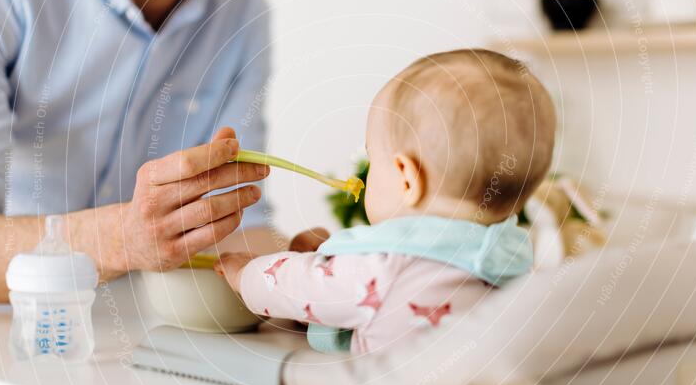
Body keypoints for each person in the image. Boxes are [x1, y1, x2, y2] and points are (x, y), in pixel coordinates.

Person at [0, 0, 292, 303]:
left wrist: (302, 275)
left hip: (137, 341)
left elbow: (240, 225)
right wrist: (121, 240)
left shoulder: (243, 15)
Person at [218, 49, 556, 354]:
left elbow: (301, 287)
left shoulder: (389, 264)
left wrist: (247, 274)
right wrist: (327, 259)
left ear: (407, 178)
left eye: (372, 159)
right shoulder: (516, 268)